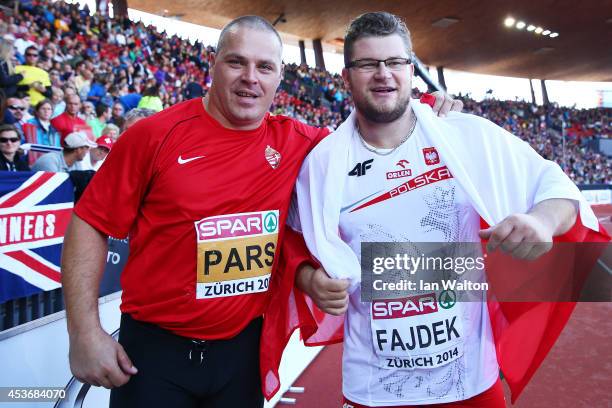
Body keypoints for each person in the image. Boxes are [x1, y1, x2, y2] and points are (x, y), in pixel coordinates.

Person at [61, 15, 459, 408]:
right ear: (214, 66)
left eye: (264, 66)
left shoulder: (302, 144)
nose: (250, 77)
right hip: (153, 354)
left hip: (242, 355)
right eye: (236, 62)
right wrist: (83, 333)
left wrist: (424, 109)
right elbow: (90, 222)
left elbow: (375, 135)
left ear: (279, 77)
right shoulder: (153, 136)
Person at [286, 12, 608, 408]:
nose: (383, 74)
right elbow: (290, 240)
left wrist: (541, 221)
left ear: (411, 69)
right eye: (368, 64)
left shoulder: (463, 135)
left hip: (469, 382)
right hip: (376, 388)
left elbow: (556, 186)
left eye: (395, 62)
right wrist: (308, 279)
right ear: (347, 76)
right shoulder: (322, 164)